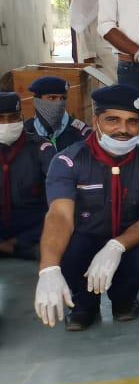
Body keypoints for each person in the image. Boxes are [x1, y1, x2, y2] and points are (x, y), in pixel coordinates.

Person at [33, 85, 139, 331]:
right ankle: (83, 303)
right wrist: (49, 268)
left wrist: (117, 245)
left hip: (129, 241)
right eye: (112, 120)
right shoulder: (68, 160)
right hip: (85, 239)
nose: (123, 130)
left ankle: (124, 297)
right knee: (66, 249)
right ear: (95, 120)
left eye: (132, 122)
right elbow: (60, 215)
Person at [0, 93, 56, 260]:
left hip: (34, 236)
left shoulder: (41, 150)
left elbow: (60, 203)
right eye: (1, 119)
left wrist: (20, 241)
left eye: (12, 118)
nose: (7, 124)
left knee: (58, 254)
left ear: (22, 118)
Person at [68, 0, 118, 80]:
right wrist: (88, 54)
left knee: (114, 82)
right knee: (100, 84)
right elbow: (80, 27)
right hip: (95, 50)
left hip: (111, 46)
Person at [24, 76, 91, 150]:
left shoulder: (80, 133)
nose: (59, 103)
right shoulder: (26, 131)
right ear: (37, 101)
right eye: (52, 98)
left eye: (63, 98)